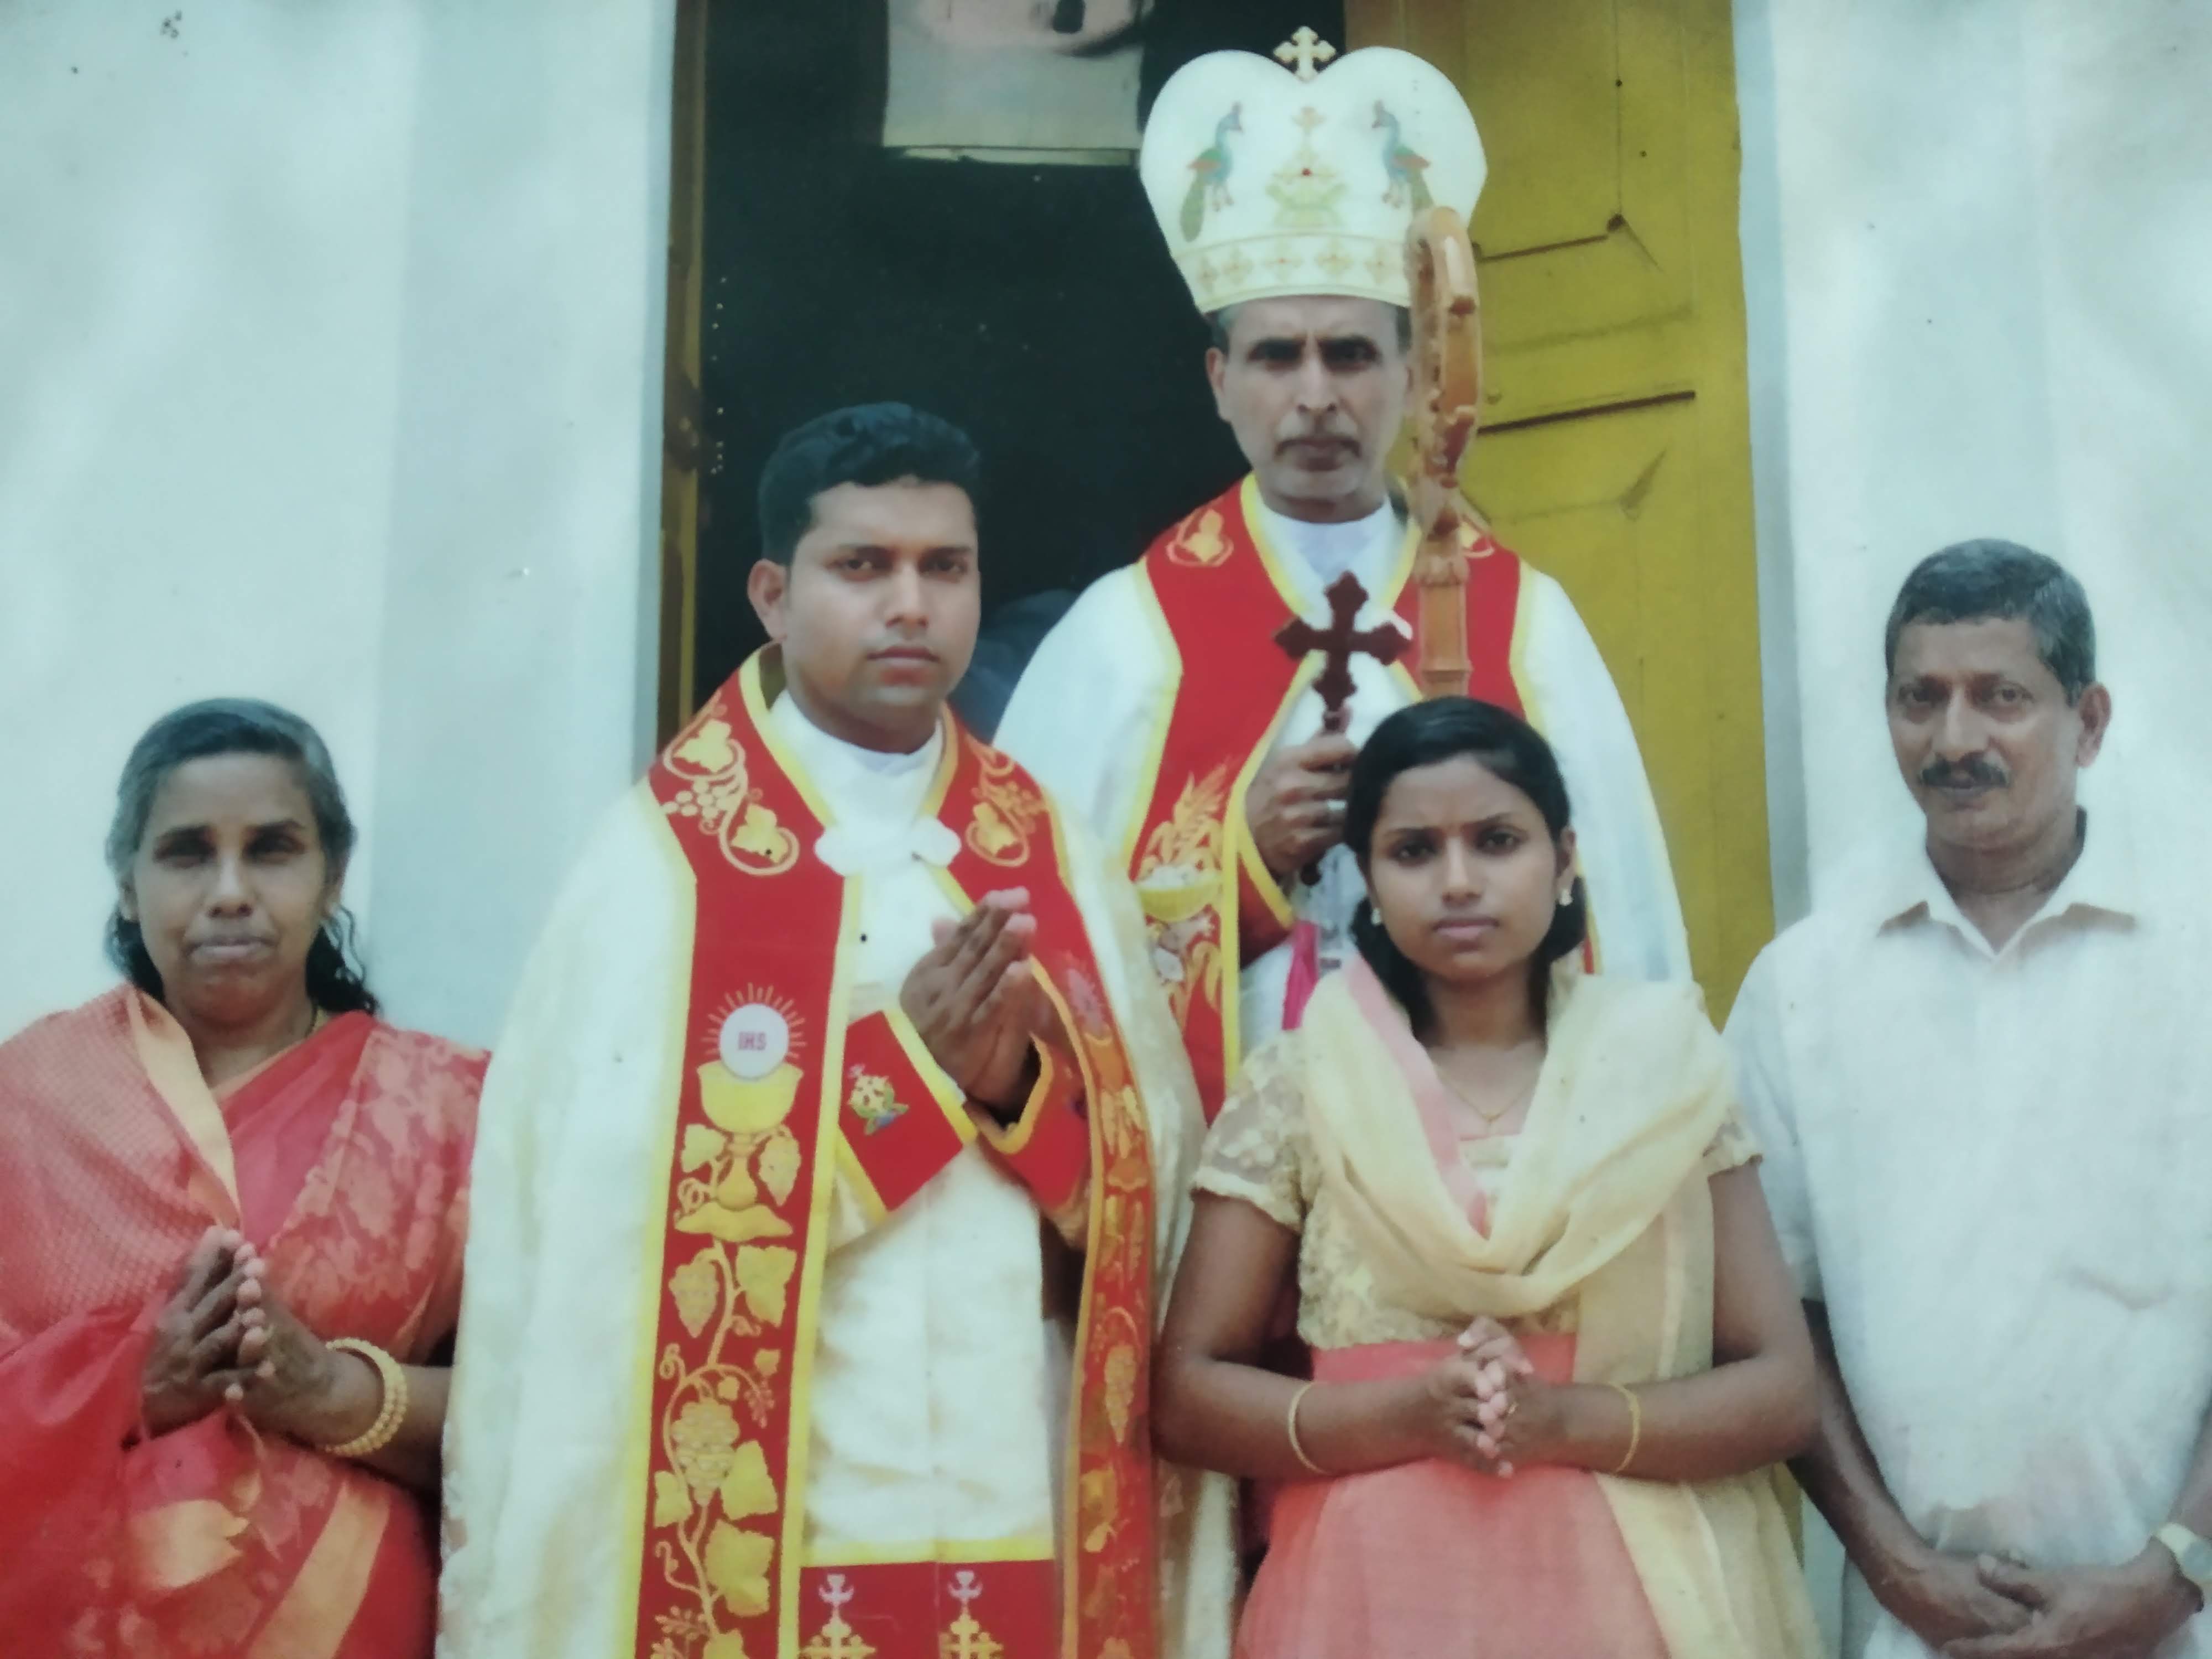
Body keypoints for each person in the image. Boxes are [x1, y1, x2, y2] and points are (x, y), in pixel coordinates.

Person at [439, 404, 1234, 1659]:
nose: (909, 605)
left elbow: (1150, 1202)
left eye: (944, 567)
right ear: (771, 591)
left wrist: (1020, 1088)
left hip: (1015, 1485)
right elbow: (612, 1246)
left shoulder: (1050, 852)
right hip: (780, 1519)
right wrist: (914, 1077)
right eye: (862, 567)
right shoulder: (660, 868)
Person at [997, 34, 1687, 1123]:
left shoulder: (1521, 627)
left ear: (1413, 376)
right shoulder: (1123, 640)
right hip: (1224, 1177)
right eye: (1276, 357)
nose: (1313, 397)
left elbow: (1622, 947)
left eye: (1350, 355)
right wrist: (1242, 862)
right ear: (1219, 382)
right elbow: (1034, 964)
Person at [1153, 696, 1821, 1657]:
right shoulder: (1302, 1085)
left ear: (1566, 858)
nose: (1457, 881)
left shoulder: (1663, 1072)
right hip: (1367, 1600)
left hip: (1628, 1598)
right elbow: (1189, 1395)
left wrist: (1567, 1422)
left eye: (1497, 841)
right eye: (1414, 851)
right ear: (1370, 882)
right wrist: (1405, 1414)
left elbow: (1781, 1389)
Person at [1729, 541, 2212, 1659]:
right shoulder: (1799, 993)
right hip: (1913, 1632)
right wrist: (1894, 1567)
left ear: (2085, 722)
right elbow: (1770, 1323)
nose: (1952, 741)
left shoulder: (2197, 973)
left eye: (1999, 698)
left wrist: (2174, 1567)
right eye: (1919, 699)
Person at [0, 699, 482, 1657]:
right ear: (128, 884)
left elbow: (549, 1410)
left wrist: (336, 1394)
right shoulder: (28, 1101)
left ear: (331, 873)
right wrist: (137, 1383)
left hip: (353, 1622)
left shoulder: (451, 1108)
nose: (230, 891)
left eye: (272, 849)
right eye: (186, 853)